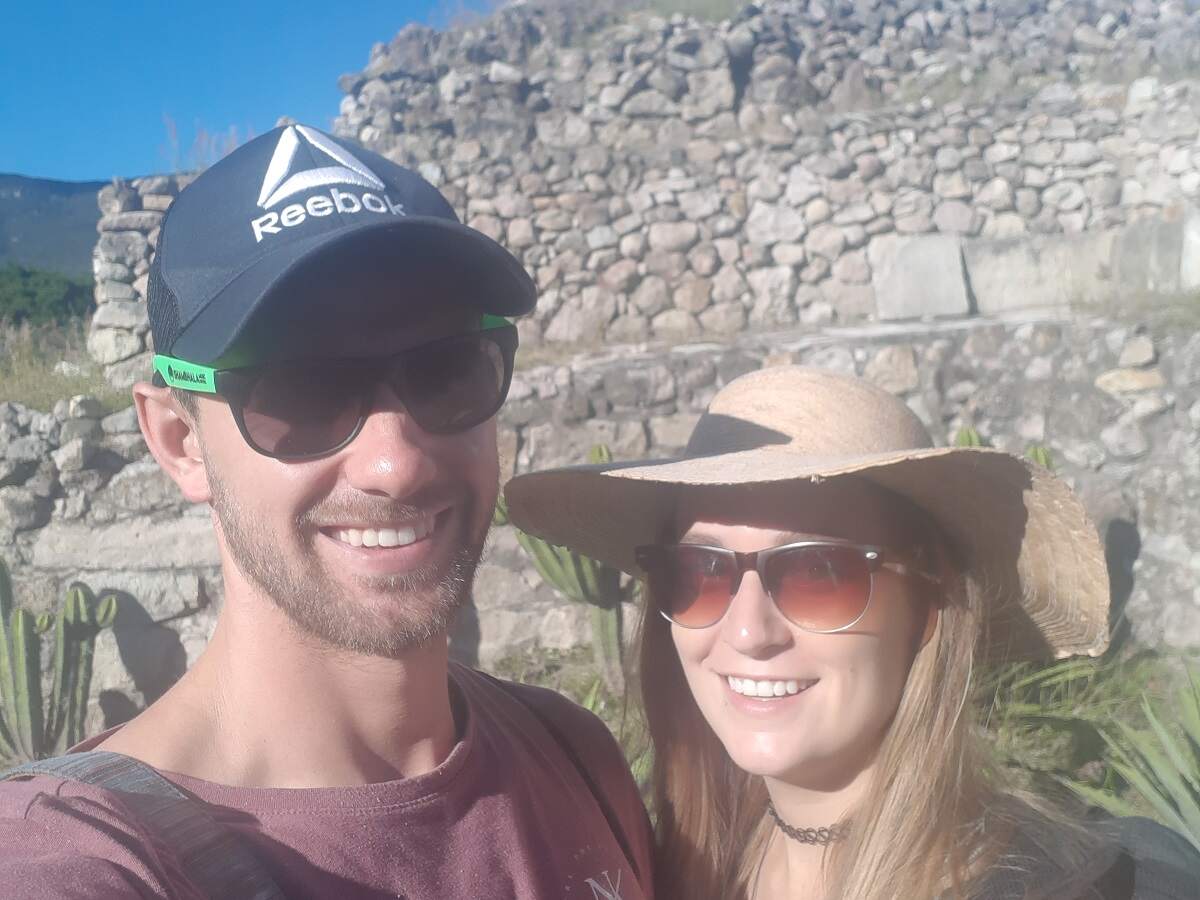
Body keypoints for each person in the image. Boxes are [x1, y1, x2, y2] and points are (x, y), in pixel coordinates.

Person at [0, 124, 653, 899]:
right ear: (179, 440)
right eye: (300, 387)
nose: (395, 462)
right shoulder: (84, 859)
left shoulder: (577, 754)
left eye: (446, 369)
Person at [505, 365, 1200, 900]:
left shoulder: (1109, 884)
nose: (748, 631)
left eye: (817, 571)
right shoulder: (664, 869)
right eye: (701, 572)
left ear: (929, 607)